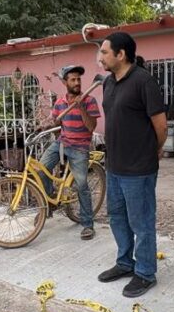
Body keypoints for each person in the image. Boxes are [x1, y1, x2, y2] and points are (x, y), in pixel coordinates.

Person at [95, 32, 167, 298]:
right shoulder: (108, 83)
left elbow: (160, 126)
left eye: (104, 52)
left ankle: (146, 273)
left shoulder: (143, 81)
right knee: (117, 218)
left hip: (139, 169)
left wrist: (154, 150)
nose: (100, 57)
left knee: (142, 223)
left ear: (120, 54)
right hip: (114, 165)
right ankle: (126, 263)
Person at [40, 65, 102, 240]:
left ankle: (88, 224)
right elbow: (56, 123)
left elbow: (91, 127)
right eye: (73, 79)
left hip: (80, 146)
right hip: (62, 142)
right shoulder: (60, 103)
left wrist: (81, 107)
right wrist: (45, 126)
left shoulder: (89, 101)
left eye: (78, 79)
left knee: (81, 185)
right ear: (65, 82)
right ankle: (51, 198)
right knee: (40, 168)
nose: (77, 82)